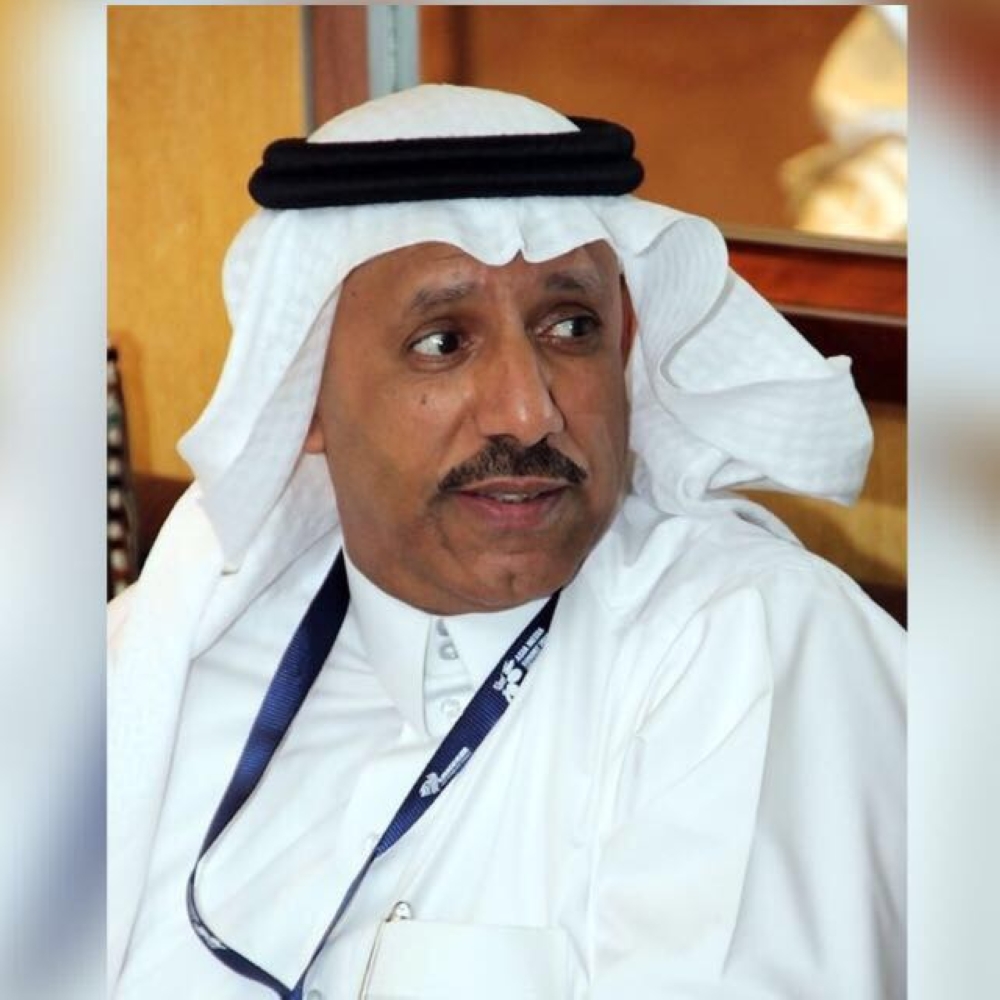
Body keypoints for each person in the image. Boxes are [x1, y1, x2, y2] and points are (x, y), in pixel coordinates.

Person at [108, 85, 904, 999]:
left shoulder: (748, 649)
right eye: (443, 343)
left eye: (571, 328)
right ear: (305, 396)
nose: (529, 412)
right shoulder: (166, 666)